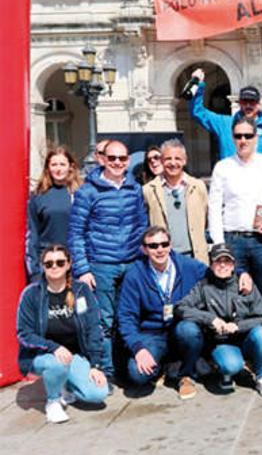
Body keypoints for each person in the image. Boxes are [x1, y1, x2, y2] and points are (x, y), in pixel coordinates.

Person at [67, 139, 148, 380]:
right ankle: (107, 372)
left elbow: (141, 225)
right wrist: (82, 268)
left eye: (122, 159)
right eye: (112, 158)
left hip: (132, 262)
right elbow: (76, 233)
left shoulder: (134, 188)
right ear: (102, 159)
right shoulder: (87, 191)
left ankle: (126, 368)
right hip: (101, 265)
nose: (117, 163)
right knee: (104, 321)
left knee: (130, 315)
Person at [16, 244, 109, 424]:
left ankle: (65, 383)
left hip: (73, 355)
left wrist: (95, 365)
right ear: (43, 266)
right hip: (41, 356)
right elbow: (24, 334)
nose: (54, 267)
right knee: (56, 364)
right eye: (49, 263)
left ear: (68, 264)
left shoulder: (81, 290)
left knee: (98, 393)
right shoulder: (31, 294)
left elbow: (94, 328)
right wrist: (54, 347)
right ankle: (53, 402)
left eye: (60, 262)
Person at [116, 227, 209, 398]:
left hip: (180, 327)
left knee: (190, 330)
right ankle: (166, 367)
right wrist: (139, 349)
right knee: (137, 373)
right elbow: (126, 317)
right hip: (152, 334)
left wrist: (241, 274)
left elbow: (216, 272)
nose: (159, 249)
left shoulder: (187, 265)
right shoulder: (135, 274)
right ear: (144, 249)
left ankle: (185, 375)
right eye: (153, 246)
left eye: (164, 244)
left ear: (170, 245)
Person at [175, 243, 262, 396]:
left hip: (245, 338)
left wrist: (238, 326)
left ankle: (261, 377)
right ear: (211, 264)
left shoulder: (245, 284)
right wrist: (210, 319)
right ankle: (229, 370)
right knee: (230, 365)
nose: (222, 265)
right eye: (217, 261)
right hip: (221, 341)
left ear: (233, 265)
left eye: (227, 261)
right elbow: (181, 308)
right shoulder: (203, 287)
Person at [208, 116, 262, 298]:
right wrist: (219, 244)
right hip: (232, 240)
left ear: (256, 137)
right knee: (233, 294)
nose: (243, 140)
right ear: (233, 138)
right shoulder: (222, 167)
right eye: (238, 136)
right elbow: (214, 208)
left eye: (248, 135)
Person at [143, 139, 209, 263]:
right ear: (162, 161)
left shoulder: (198, 186)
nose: (173, 163)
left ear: (184, 161)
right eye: (168, 159)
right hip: (164, 258)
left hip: (195, 257)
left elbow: (206, 219)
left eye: (177, 159)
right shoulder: (148, 190)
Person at [189, 68, 262, 158]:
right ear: (239, 103)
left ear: (258, 104)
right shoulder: (224, 123)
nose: (248, 105)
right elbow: (197, 112)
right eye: (244, 101)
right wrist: (198, 84)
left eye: (252, 102)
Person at [26, 146, 83, 281]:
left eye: (62, 164)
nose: (58, 168)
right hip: (49, 263)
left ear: (70, 166)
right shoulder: (38, 196)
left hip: (77, 262)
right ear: (48, 168)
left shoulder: (81, 193)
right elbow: (32, 234)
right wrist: (34, 270)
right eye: (54, 164)